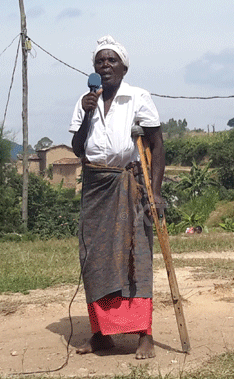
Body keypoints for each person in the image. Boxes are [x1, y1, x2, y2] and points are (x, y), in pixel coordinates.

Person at [69, 35, 164, 359]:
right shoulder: (86, 101)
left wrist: (157, 191)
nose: (105, 66)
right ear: (94, 68)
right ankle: (101, 333)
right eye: (100, 61)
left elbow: (156, 144)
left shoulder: (138, 97)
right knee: (94, 257)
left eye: (111, 61)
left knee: (135, 256)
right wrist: (86, 113)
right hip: (96, 186)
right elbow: (78, 147)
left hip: (130, 183)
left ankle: (144, 334)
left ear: (123, 67)